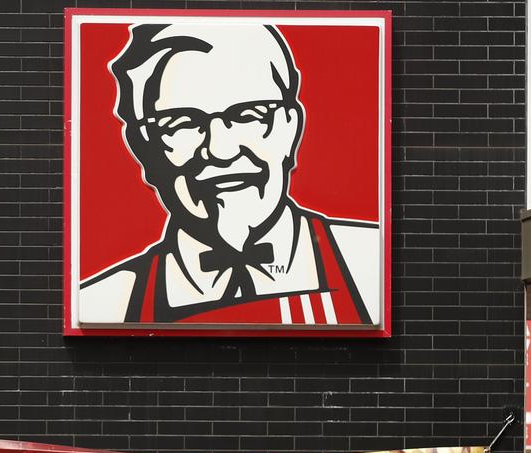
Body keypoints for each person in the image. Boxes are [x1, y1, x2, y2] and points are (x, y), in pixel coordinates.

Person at [79, 23, 381, 326]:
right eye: (182, 122)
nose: (221, 150)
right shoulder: (107, 302)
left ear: (291, 128)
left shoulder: (371, 263)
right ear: (142, 147)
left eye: (249, 115)